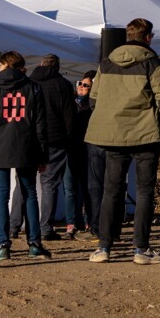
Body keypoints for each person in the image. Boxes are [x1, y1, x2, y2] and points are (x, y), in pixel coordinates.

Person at [86, 17, 160, 265]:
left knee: (111, 191)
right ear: (148, 37)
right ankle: (141, 249)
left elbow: (94, 98)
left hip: (113, 134)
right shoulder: (153, 63)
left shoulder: (106, 62)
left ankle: (104, 247)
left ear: (128, 36)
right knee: (144, 192)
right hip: (145, 134)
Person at [0, 50, 50, 260]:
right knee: (29, 192)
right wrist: (43, 154)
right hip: (26, 144)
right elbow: (40, 124)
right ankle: (34, 242)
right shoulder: (33, 87)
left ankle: (3, 245)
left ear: (6, 65)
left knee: (1, 193)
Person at [29, 54, 76, 240]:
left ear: (41, 64)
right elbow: (69, 116)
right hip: (55, 139)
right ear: (57, 66)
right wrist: (69, 137)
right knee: (49, 184)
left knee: (25, 184)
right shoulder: (62, 85)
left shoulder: (30, 83)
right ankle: (46, 227)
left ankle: (16, 224)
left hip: (31, 138)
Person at [63, 70, 95, 239]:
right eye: (80, 84)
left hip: (86, 150)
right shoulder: (70, 103)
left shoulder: (92, 107)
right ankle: (71, 223)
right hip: (70, 149)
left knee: (87, 189)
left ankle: (89, 221)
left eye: (86, 85)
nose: (81, 87)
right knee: (70, 189)